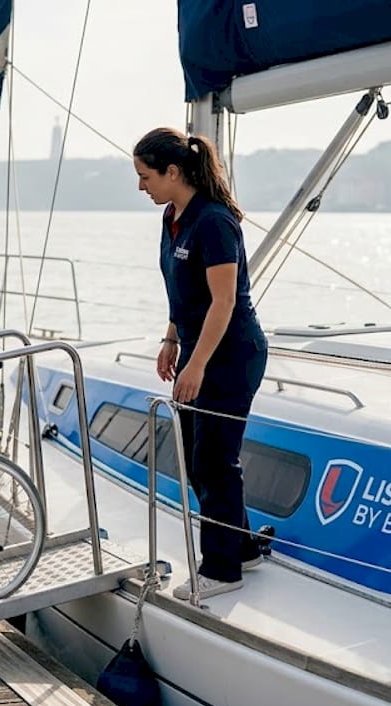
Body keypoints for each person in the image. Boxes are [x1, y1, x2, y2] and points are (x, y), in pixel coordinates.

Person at [133, 127, 269, 600]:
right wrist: (171, 339)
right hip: (197, 346)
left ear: (174, 172)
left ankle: (222, 569)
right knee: (199, 459)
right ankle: (243, 547)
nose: (140, 185)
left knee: (213, 460)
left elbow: (223, 301)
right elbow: (182, 291)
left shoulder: (213, 222)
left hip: (230, 354)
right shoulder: (173, 215)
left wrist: (197, 366)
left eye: (145, 176)